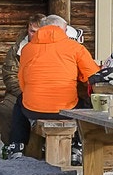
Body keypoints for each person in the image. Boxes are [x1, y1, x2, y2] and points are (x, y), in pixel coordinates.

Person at [17, 15, 100, 158]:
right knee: (88, 105)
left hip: (33, 110)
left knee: (20, 100)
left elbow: (22, 82)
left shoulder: (27, 49)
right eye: (66, 28)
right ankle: (78, 146)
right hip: (65, 110)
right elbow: (92, 76)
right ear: (60, 28)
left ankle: (16, 145)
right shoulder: (75, 47)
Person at [0, 14, 43, 157]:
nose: (34, 34)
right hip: (19, 91)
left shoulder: (50, 48)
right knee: (5, 109)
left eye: (38, 31)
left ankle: (41, 147)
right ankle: (11, 145)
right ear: (27, 30)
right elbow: (10, 75)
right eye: (32, 31)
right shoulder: (17, 49)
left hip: (43, 93)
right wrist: (24, 93)